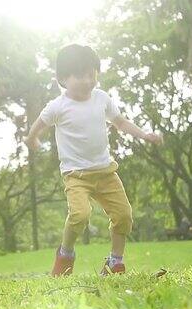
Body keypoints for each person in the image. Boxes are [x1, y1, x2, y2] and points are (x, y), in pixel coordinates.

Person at [25, 44, 163, 276]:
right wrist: (32, 139)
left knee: (124, 216)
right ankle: (65, 255)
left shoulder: (101, 99)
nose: (88, 81)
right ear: (63, 78)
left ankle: (114, 262)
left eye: (92, 75)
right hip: (76, 175)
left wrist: (145, 135)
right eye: (80, 76)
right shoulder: (58, 106)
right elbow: (38, 125)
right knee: (80, 215)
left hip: (106, 172)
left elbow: (121, 122)